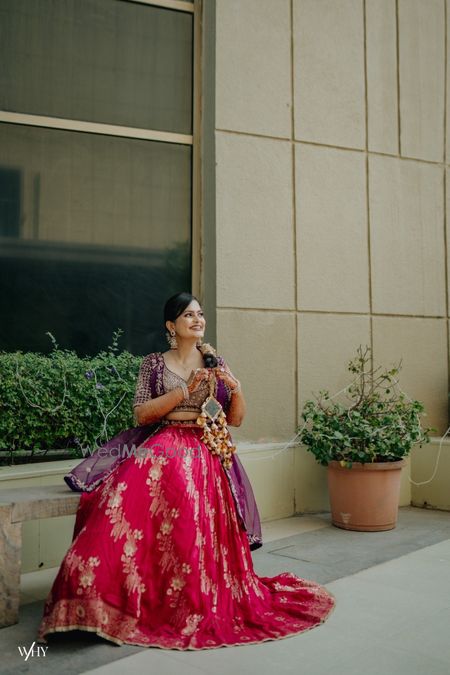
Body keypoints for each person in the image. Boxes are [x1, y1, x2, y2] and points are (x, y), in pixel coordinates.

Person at [37, 292, 335, 650]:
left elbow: (235, 419)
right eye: (189, 315)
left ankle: (187, 598)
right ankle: (94, 595)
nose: (198, 320)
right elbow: (141, 414)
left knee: (184, 475)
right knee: (118, 503)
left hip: (205, 447)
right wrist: (184, 391)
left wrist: (237, 389)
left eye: (200, 314)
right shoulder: (153, 364)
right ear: (171, 325)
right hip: (163, 443)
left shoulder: (215, 363)